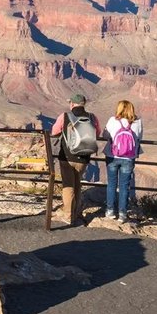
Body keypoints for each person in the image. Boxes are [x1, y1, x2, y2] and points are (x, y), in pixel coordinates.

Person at [50, 94, 102, 226]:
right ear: (84, 104)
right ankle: (77, 211)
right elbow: (97, 133)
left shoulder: (65, 116)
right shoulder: (92, 117)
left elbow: (54, 131)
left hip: (67, 157)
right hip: (83, 157)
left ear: (72, 104)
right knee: (77, 183)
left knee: (68, 186)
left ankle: (68, 215)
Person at [102, 100, 143, 223]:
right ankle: (122, 214)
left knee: (112, 184)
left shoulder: (112, 120)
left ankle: (110, 211)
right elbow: (139, 138)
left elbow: (105, 135)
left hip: (112, 156)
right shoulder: (138, 122)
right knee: (125, 186)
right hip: (129, 158)